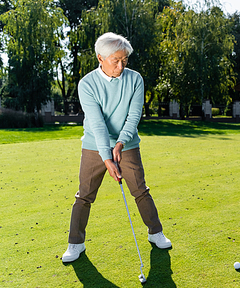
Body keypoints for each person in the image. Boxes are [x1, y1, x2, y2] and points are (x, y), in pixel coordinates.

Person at [62, 33, 171, 262]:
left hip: (128, 144)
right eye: (116, 61)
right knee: (84, 195)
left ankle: (155, 232)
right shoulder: (87, 84)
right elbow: (97, 123)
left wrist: (121, 143)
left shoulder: (135, 79)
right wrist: (107, 158)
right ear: (101, 58)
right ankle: (76, 243)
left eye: (124, 60)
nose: (121, 66)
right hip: (94, 145)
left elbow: (133, 116)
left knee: (140, 190)